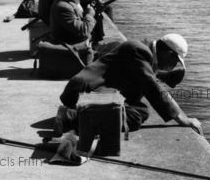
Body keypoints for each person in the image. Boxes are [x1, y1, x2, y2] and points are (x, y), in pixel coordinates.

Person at [58, 34, 202, 134]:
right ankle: (70, 118)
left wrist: (165, 76)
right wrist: (182, 118)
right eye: (174, 62)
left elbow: (144, 77)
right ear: (168, 54)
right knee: (133, 117)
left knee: (142, 111)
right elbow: (152, 87)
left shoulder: (142, 51)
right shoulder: (139, 51)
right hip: (82, 94)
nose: (172, 67)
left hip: (90, 91)